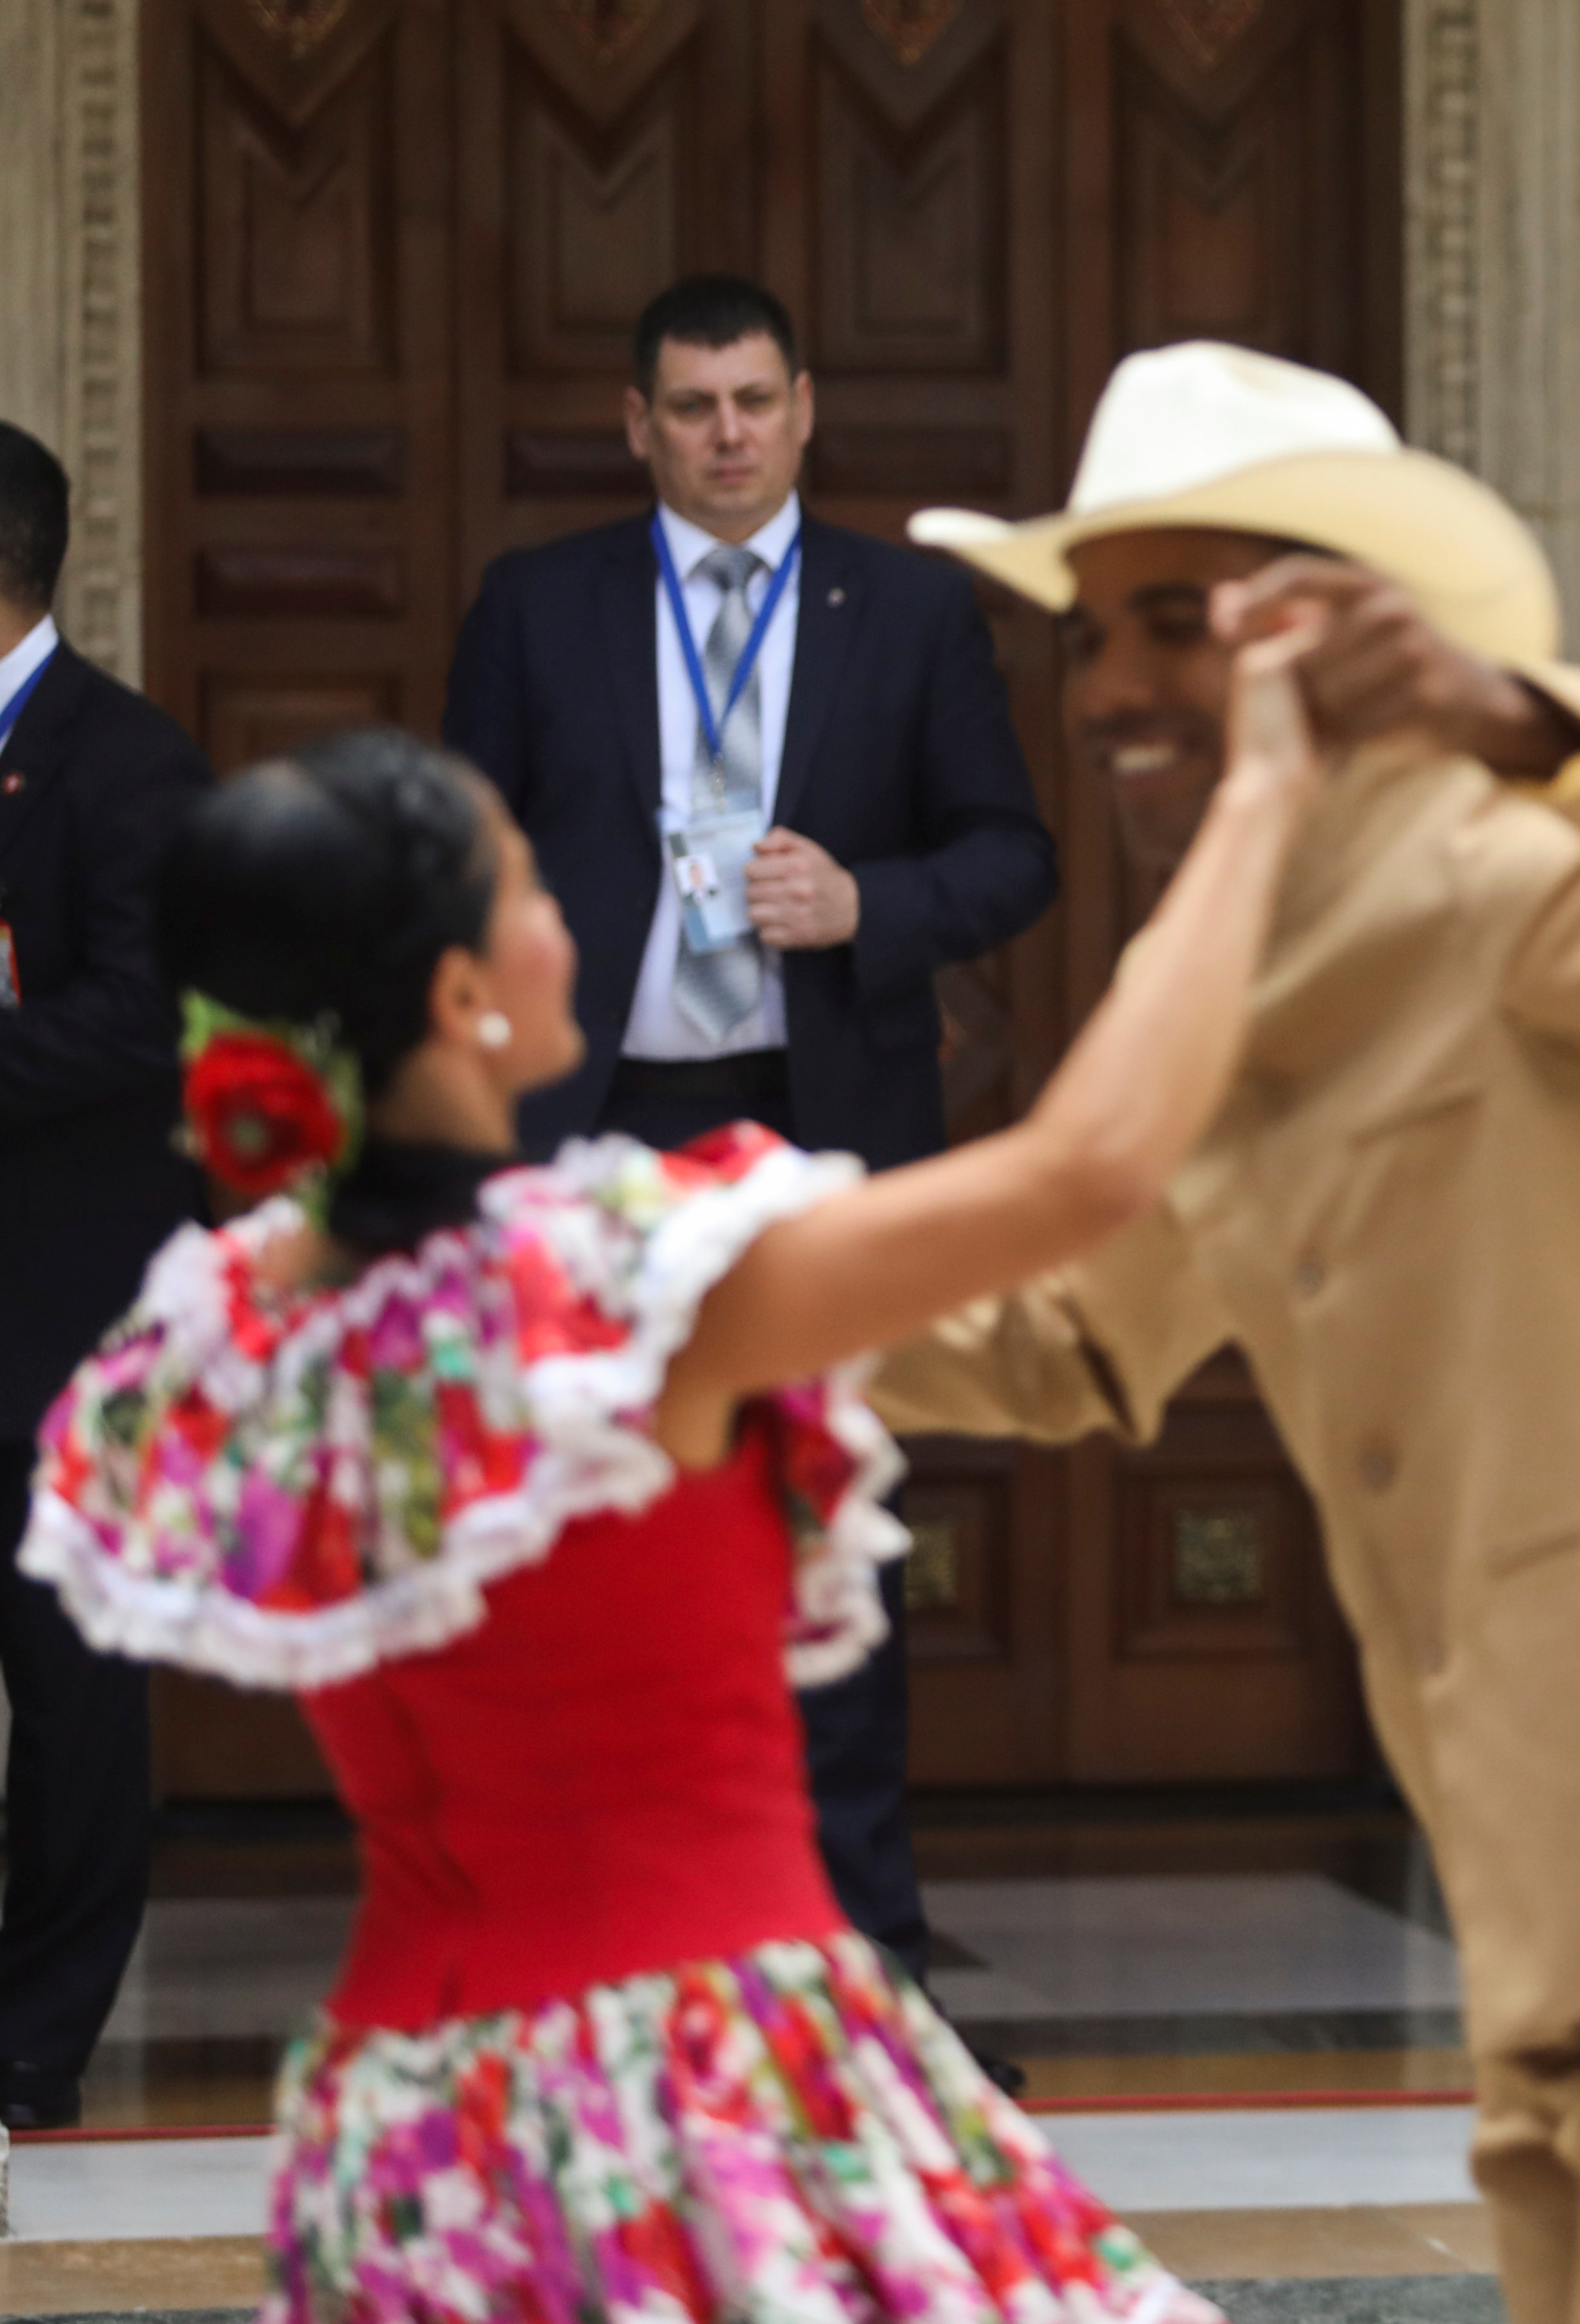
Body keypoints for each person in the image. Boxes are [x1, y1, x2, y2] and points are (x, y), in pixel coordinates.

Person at [866, 339, 1580, 2324]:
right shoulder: (1223, 978)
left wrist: (1511, 718)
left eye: (1176, 624)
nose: (1113, 685)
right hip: (1557, 1898)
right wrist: (673, 1286)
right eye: (1093, 636)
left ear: (1340, 634)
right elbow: (1061, 1333)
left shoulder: (1519, 860)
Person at [23, 637, 1316, 2315]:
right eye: (526, 882)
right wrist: (1270, 797)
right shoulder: (631, 1284)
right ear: (462, 991)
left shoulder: (228, 1329)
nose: (571, 903)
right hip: (701, 2079)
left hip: (414, 2124)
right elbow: (1091, 1172)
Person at [441, 273, 1058, 1992]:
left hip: (815, 1133)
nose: (728, 436)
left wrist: (872, 900)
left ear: (806, 409)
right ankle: (589, 1951)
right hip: (596, 1133)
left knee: (824, 1531)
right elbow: (451, 859)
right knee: (581, 1529)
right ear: (638, 424)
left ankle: (860, 1961)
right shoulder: (537, 606)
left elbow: (1017, 855)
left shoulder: (911, 610)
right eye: (692, 407)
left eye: (755, 403)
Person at [0, 422, 214, 2131]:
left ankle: (37, 2037)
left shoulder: (135, 767)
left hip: (60, 1305)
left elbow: (151, 1020)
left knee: (69, 1696)